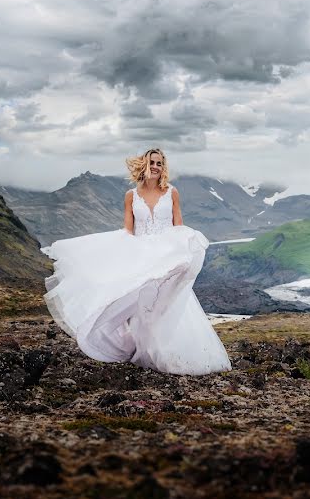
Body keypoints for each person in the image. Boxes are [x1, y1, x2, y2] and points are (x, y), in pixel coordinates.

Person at [41, 148, 232, 375]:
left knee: (165, 305)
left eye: (159, 163)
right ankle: (148, 352)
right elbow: (128, 230)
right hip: (143, 258)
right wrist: (122, 257)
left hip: (167, 257)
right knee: (143, 306)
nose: (155, 166)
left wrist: (185, 251)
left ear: (163, 167)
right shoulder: (131, 195)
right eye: (152, 162)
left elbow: (178, 225)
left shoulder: (172, 192)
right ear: (144, 164)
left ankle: (169, 354)